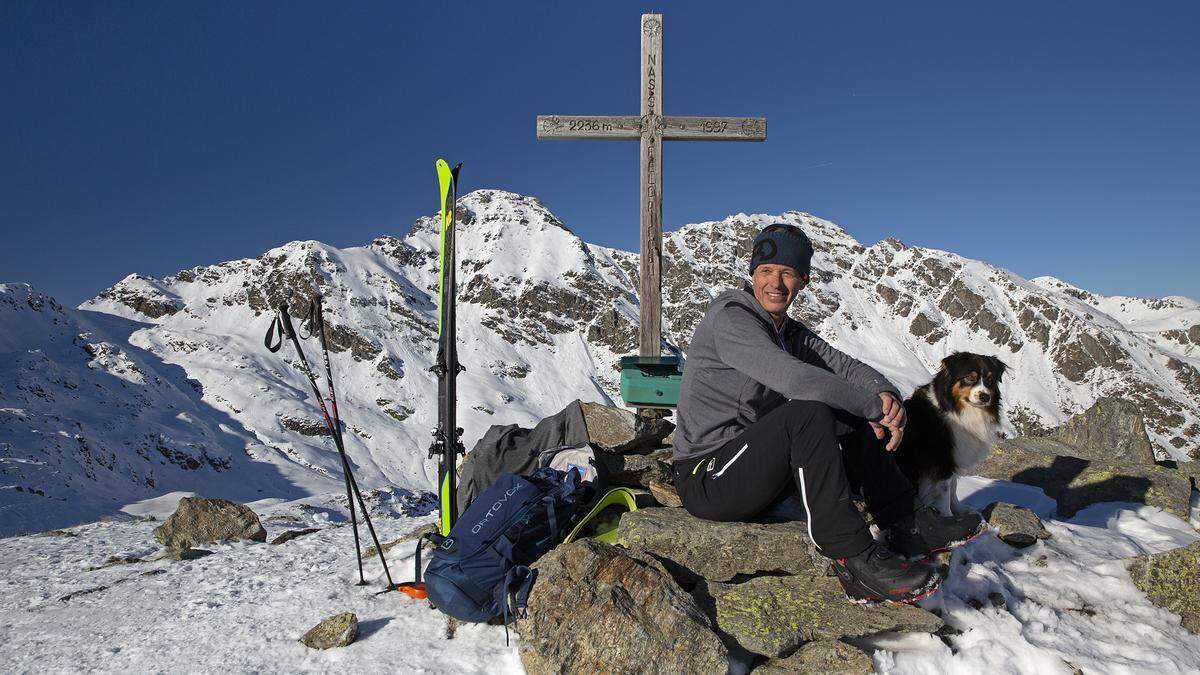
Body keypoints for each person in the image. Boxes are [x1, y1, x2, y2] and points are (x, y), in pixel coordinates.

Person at [671, 223, 984, 603]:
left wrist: (886, 396)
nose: (776, 283)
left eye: (788, 273)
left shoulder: (788, 331)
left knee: (844, 414)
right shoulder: (732, 320)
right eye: (766, 271)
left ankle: (907, 524)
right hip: (708, 477)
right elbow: (796, 379)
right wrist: (872, 409)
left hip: (752, 468)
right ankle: (853, 558)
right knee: (810, 411)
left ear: (803, 280)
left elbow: (846, 368)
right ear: (752, 274)